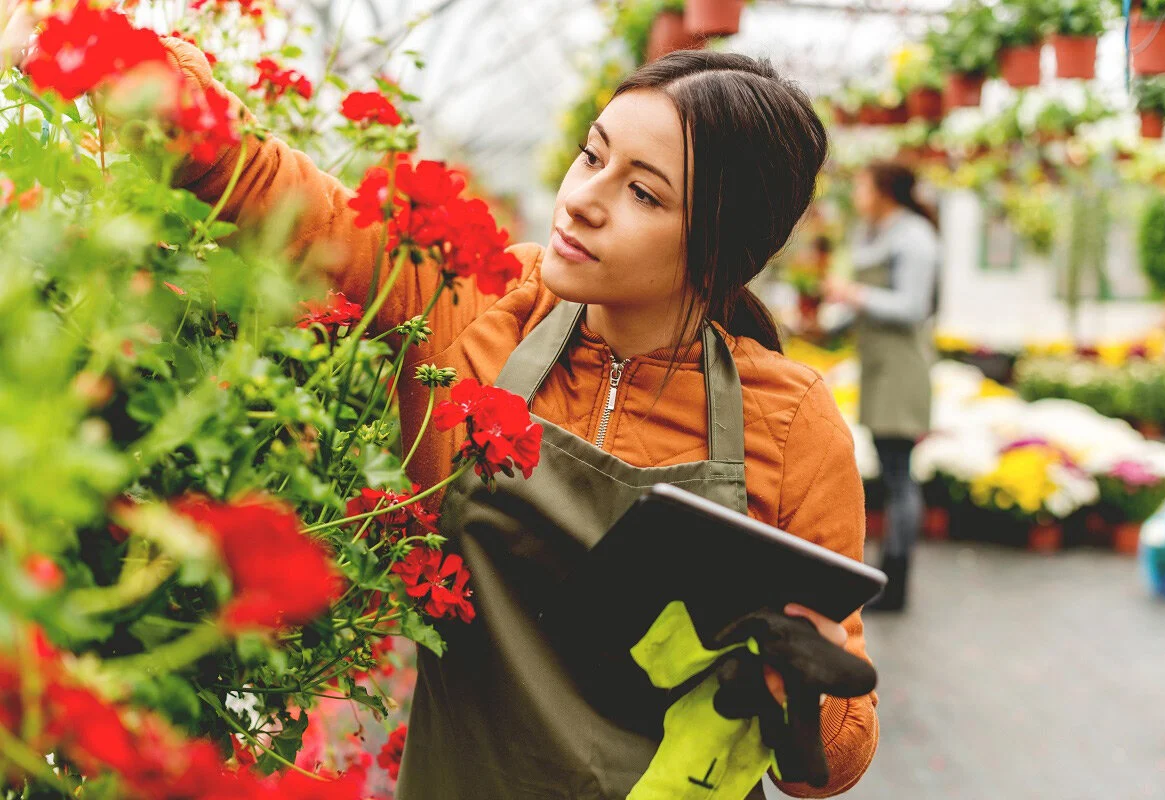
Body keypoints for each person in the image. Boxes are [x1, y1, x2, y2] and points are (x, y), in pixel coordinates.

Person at [159, 40, 878, 798]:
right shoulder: (484, 301)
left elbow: (833, 765)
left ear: (721, 251)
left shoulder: (791, 422)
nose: (582, 200)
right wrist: (157, 85)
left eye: (643, 194)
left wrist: (804, 684)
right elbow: (290, 202)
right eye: (591, 155)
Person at [823, 161, 939, 612]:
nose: (857, 196)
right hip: (879, 368)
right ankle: (889, 573)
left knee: (898, 475)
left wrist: (853, 295)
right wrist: (833, 317)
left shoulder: (913, 238)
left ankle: (897, 579)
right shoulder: (878, 234)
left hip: (902, 371)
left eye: (862, 187)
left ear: (884, 192)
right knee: (893, 474)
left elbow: (912, 307)